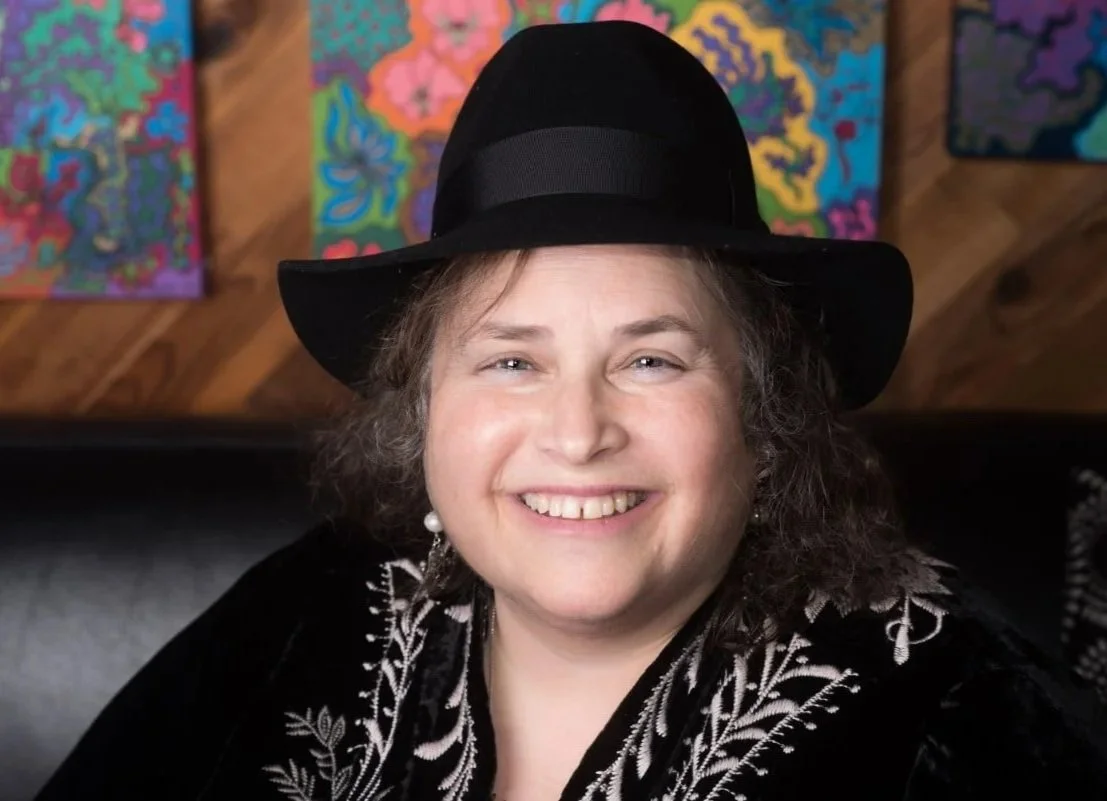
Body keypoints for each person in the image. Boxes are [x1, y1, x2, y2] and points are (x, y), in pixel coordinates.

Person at [34, 20, 1107, 801]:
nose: (578, 431)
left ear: (766, 420)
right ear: (424, 414)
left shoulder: (962, 710)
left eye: (651, 360)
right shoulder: (312, 604)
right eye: (510, 363)